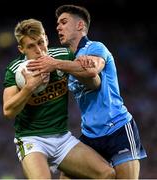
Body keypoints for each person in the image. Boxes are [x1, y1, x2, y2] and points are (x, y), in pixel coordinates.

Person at [26, 5, 147, 179]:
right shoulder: (69, 59)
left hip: (118, 128)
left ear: (80, 26)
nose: (58, 27)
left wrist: (55, 64)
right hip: (90, 134)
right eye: (57, 24)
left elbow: (93, 70)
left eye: (64, 22)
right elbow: (90, 80)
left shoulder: (96, 47)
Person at [2, 18, 115, 179]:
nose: (39, 50)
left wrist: (83, 67)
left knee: (107, 174)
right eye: (31, 46)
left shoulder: (63, 56)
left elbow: (94, 84)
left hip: (62, 138)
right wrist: (29, 87)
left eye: (41, 42)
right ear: (21, 49)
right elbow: (8, 111)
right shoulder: (15, 70)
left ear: (46, 39)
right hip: (31, 140)